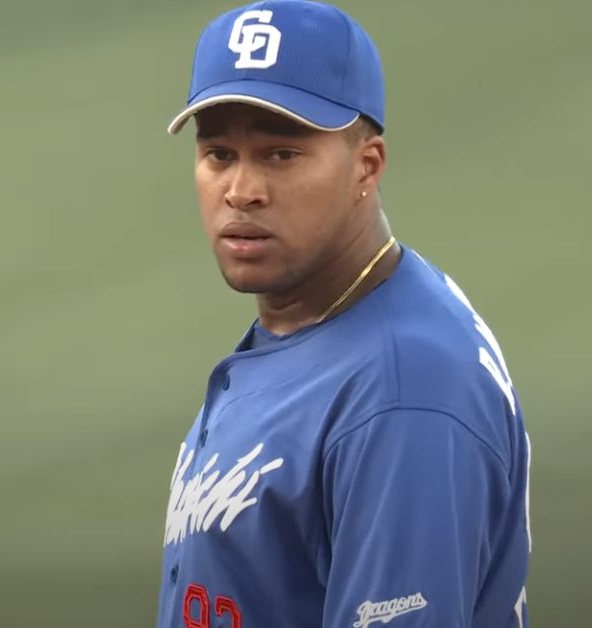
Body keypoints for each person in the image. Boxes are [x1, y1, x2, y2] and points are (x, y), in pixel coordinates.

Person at [155, 2, 532, 627]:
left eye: (281, 154)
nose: (241, 189)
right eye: (219, 153)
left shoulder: (402, 389)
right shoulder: (312, 322)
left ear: (367, 165)